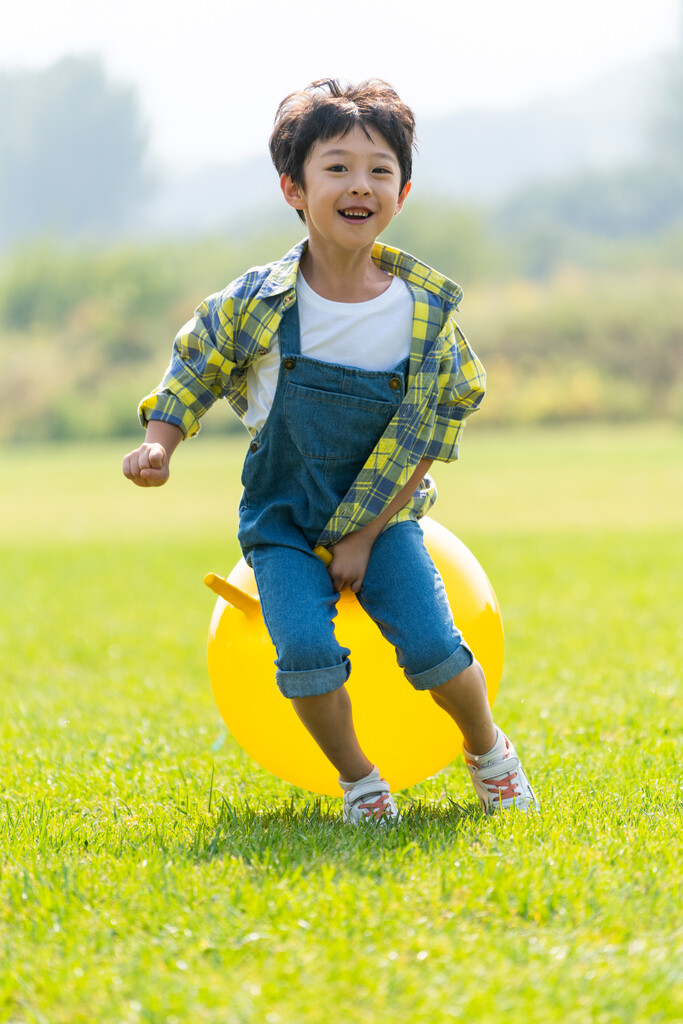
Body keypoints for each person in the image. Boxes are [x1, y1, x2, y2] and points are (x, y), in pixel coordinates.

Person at [123, 78, 538, 824]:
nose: (359, 185)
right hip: (282, 519)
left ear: (401, 193)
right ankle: (361, 783)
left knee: (433, 648)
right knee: (305, 656)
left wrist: (368, 532)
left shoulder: (420, 313)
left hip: (386, 517)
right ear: (294, 188)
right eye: (337, 167)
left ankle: (488, 753)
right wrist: (160, 442)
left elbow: (435, 423)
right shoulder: (259, 301)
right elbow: (197, 363)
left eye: (379, 170)